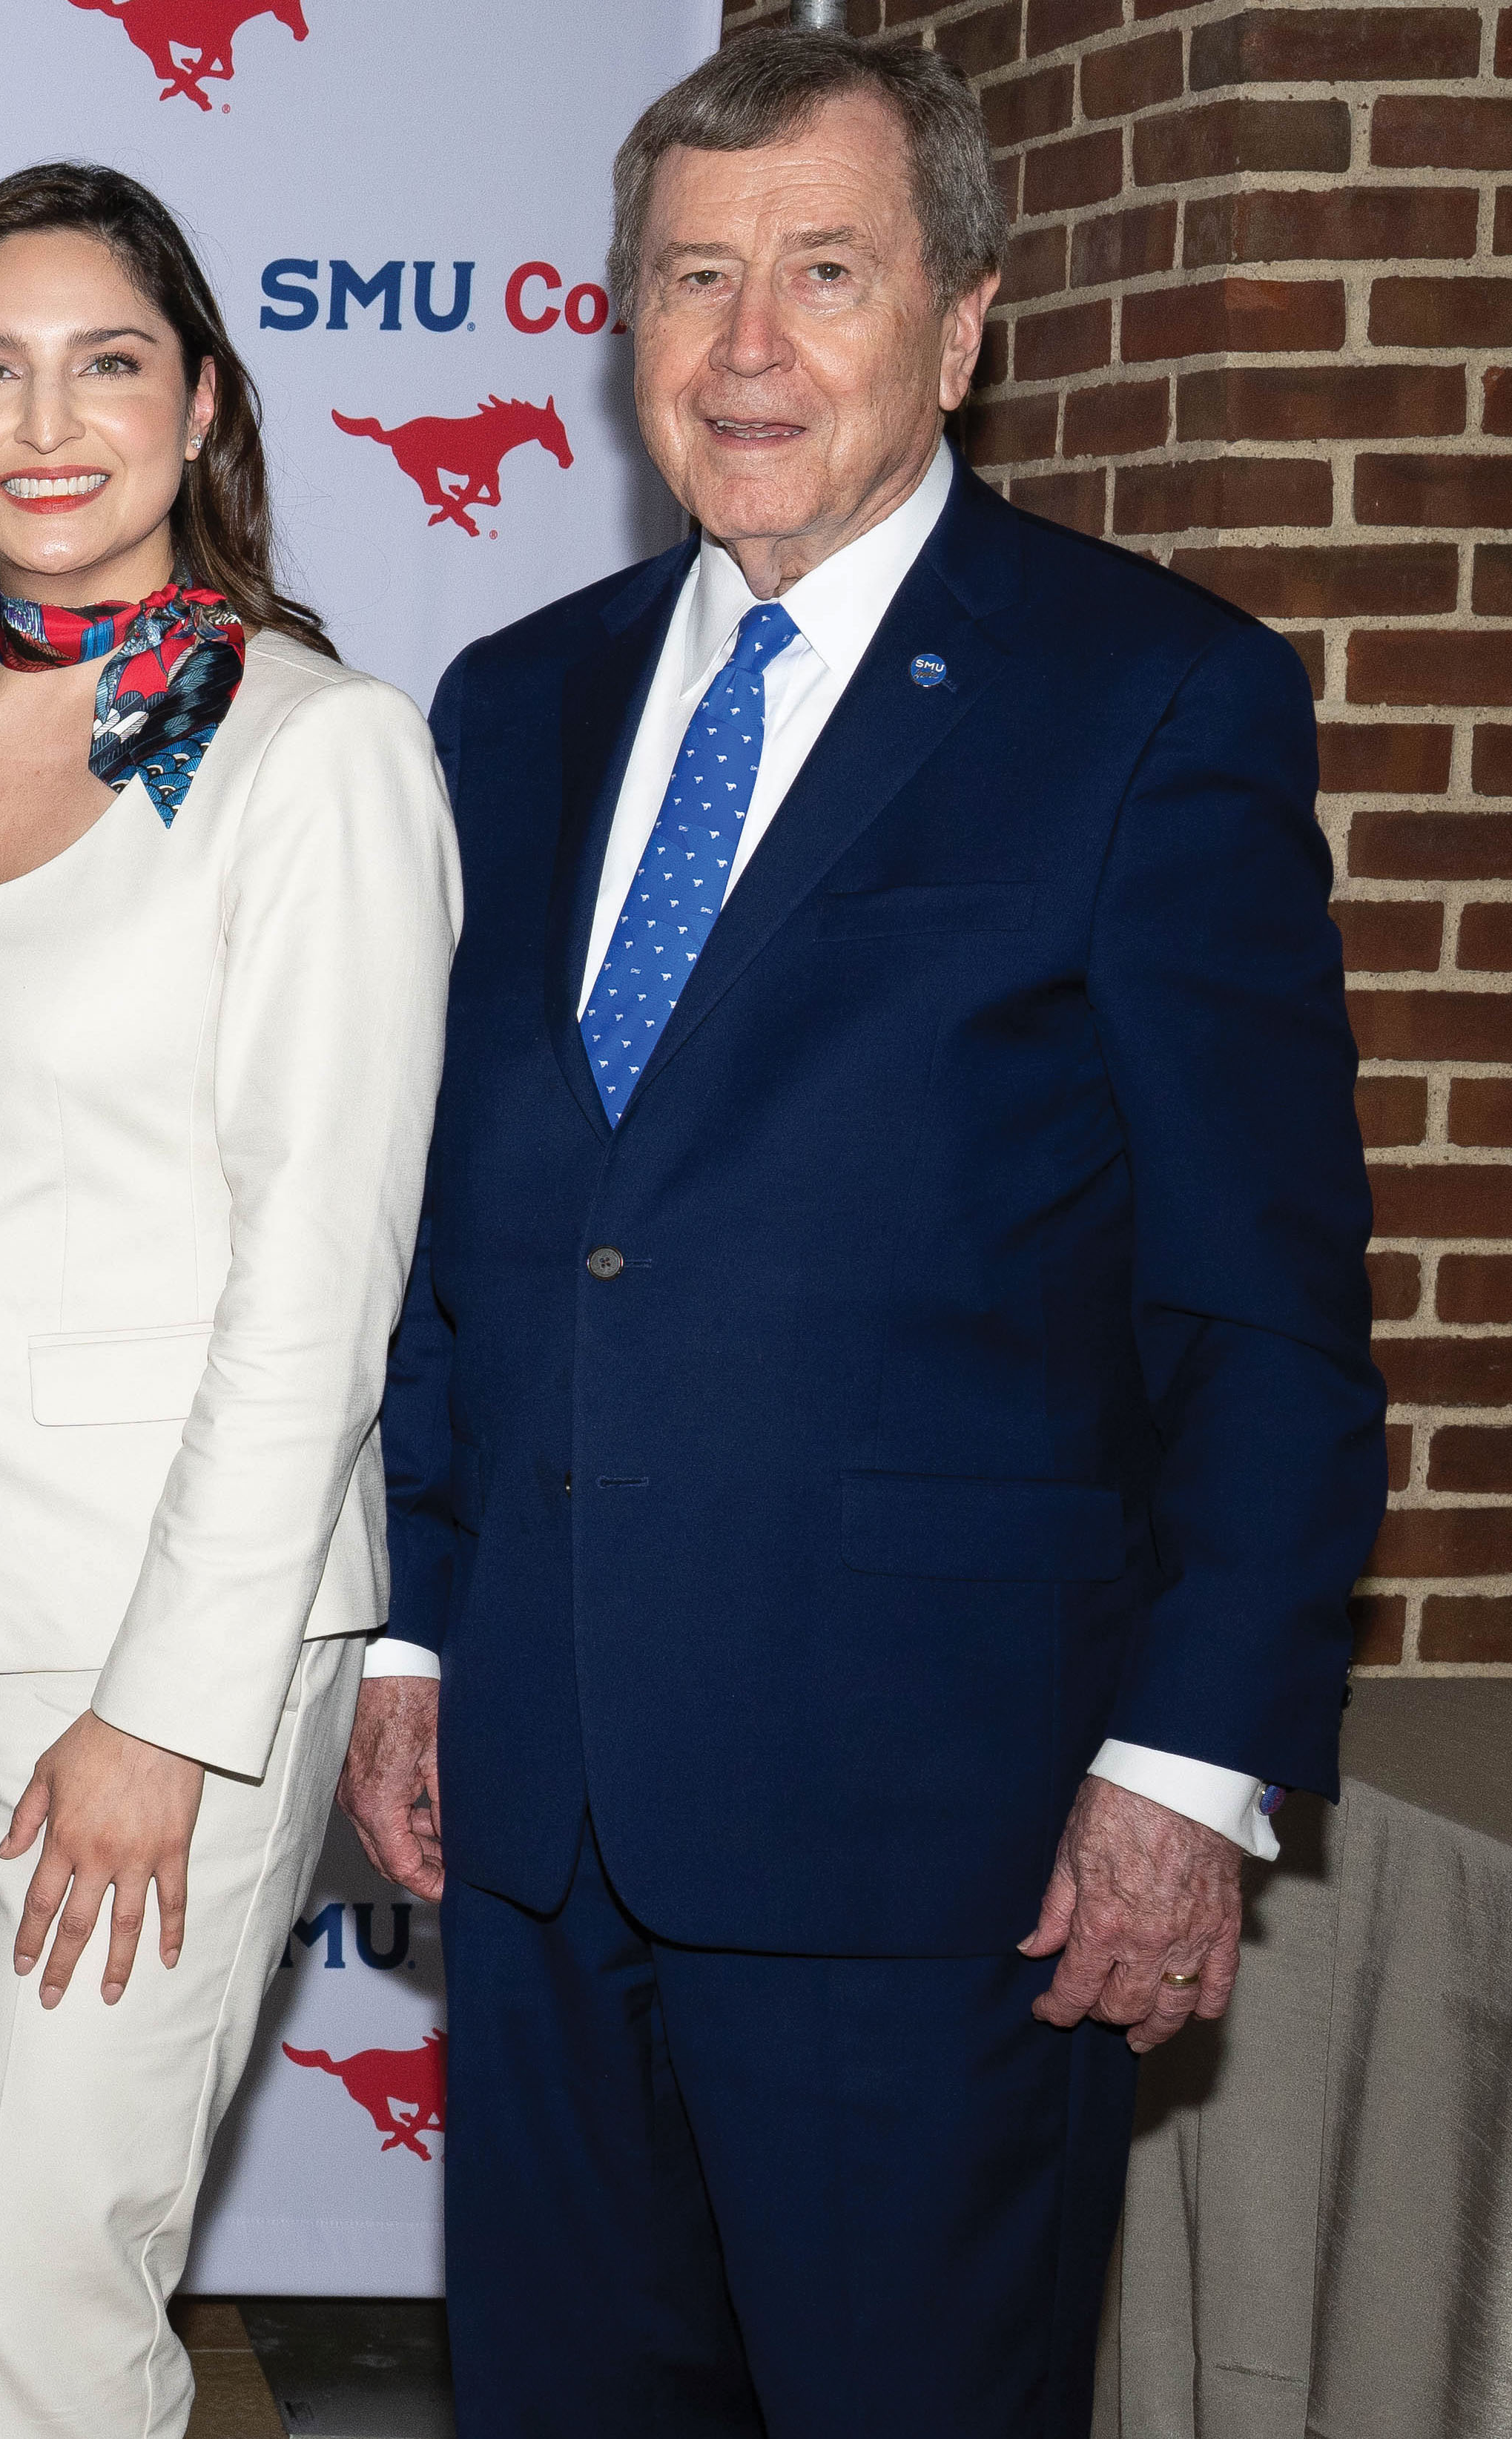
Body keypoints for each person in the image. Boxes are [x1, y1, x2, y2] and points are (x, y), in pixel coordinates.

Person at [349, 33, 1378, 2437]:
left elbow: (1264, 1307)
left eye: (821, 275)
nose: (742, 348)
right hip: (540, 1813)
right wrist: (409, 1622)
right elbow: (462, 1227)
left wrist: (1188, 1763)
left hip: (943, 1843)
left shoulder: (1149, 703)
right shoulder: (510, 706)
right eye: (690, 281)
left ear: (960, 321)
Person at [0, 162, 455, 2439]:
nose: (46, 420)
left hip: (145, 1664)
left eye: (106, 360)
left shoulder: (314, 757)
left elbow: (321, 1279)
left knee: (48, 2306)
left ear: (202, 404)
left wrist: (171, 1710)